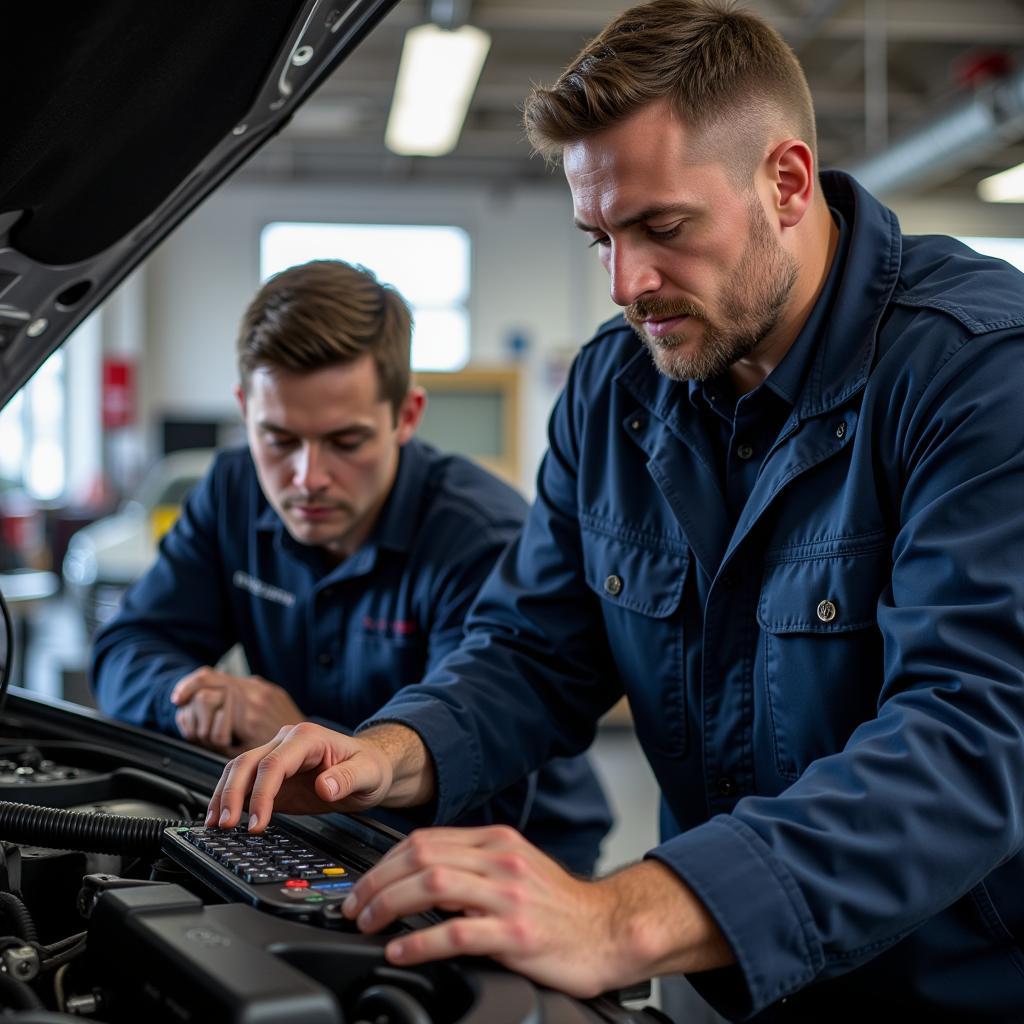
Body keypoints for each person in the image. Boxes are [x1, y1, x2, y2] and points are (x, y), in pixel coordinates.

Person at [206, 3, 1024, 1020]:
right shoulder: (616, 389)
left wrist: (622, 918)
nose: (627, 284)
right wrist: (386, 749)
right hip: (720, 978)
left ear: (786, 182)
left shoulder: (979, 373)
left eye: (662, 228)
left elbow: (973, 732)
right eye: (598, 236)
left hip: (948, 989)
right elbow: (532, 647)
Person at [91, 258, 612, 875]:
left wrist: (306, 739)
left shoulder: (479, 536)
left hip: (517, 845)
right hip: (325, 825)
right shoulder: (232, 490)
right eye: (279, 439)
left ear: (407, 416)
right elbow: (126, 647)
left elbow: (477, 770)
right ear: (244, 410)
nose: (307, 478)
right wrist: (187, 701)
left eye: (345, 442)